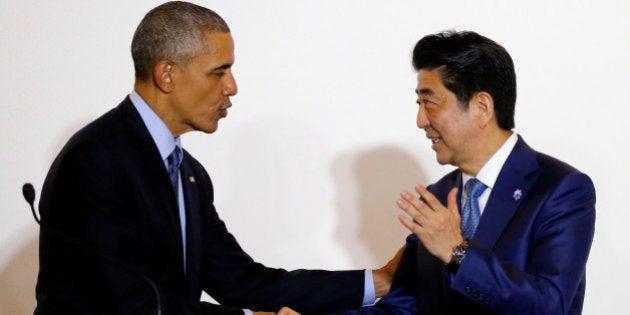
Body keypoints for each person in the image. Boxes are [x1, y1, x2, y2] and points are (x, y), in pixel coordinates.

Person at [34, 2, 401, 314]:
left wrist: (378, 281)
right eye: (219, 72)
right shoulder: (96, 159)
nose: (232, 87)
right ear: (167, 74)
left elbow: (242, 281)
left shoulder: (189, 174)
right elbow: (123, 301)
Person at [343, 30, 596, 314]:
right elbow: (403, 308)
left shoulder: (560, 189)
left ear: (481, 107)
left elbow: (550, 305)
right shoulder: (436, 197)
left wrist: (457, 252)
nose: (420, 121)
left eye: (430, 103)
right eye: (419, 104)